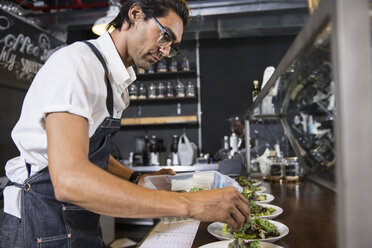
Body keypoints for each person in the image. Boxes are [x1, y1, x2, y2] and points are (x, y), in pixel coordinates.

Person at [0, 0, 250, 247]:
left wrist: (136, 178)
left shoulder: (115, 81)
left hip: (76, 221)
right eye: (164, 36)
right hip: (39, 221)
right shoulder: (77, 65)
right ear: (135, 13)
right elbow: (69, 180)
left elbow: (89, 151)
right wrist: (195, 205)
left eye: (172, 46)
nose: (165, 51)